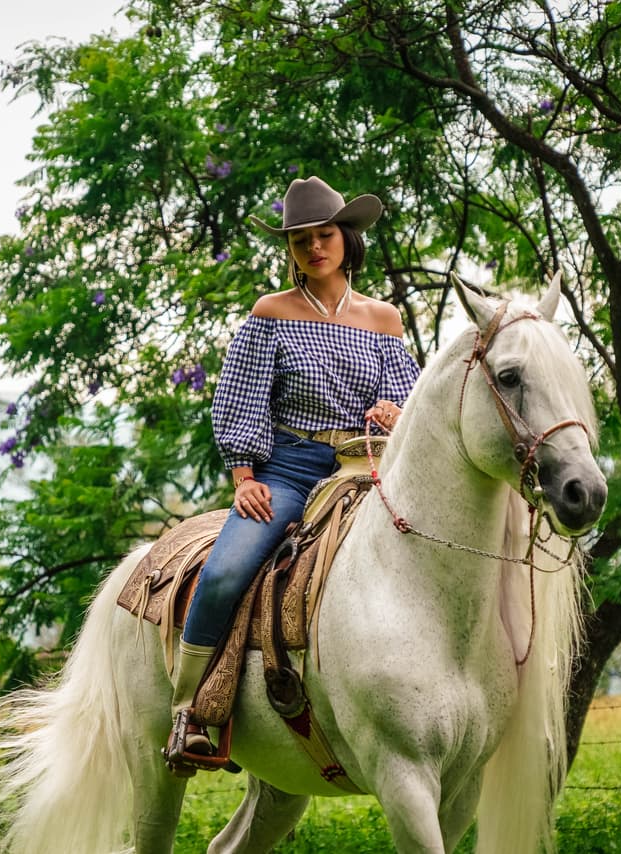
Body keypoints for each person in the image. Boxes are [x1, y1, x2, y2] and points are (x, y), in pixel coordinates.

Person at [167, 175, 421, 762]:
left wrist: (393, 412)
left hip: (365, 468)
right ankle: (190, 713)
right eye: (300, 240)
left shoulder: (385, 319)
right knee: (227, 572)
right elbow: (240, 395)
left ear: (345, 238)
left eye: (324, 235)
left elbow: (406, 402)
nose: (313, 248)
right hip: (287, 467)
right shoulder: (270, 313)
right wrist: (245, 478)